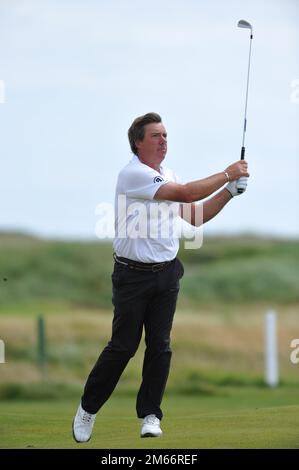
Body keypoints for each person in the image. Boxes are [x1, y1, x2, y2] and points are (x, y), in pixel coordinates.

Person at [72, 112, 249, 442]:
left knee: (160, 346)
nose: (163, 140)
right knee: (123, 346)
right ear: (138, 142)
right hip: (131, 276)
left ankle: (150, 415)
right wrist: (228, 173)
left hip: (166, 274)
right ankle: (88, 408)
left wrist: (228, 192)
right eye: (155, 135)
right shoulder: (133, 175)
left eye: (166, 135)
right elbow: (185, 194)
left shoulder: (168, 174)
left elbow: (194, 215)